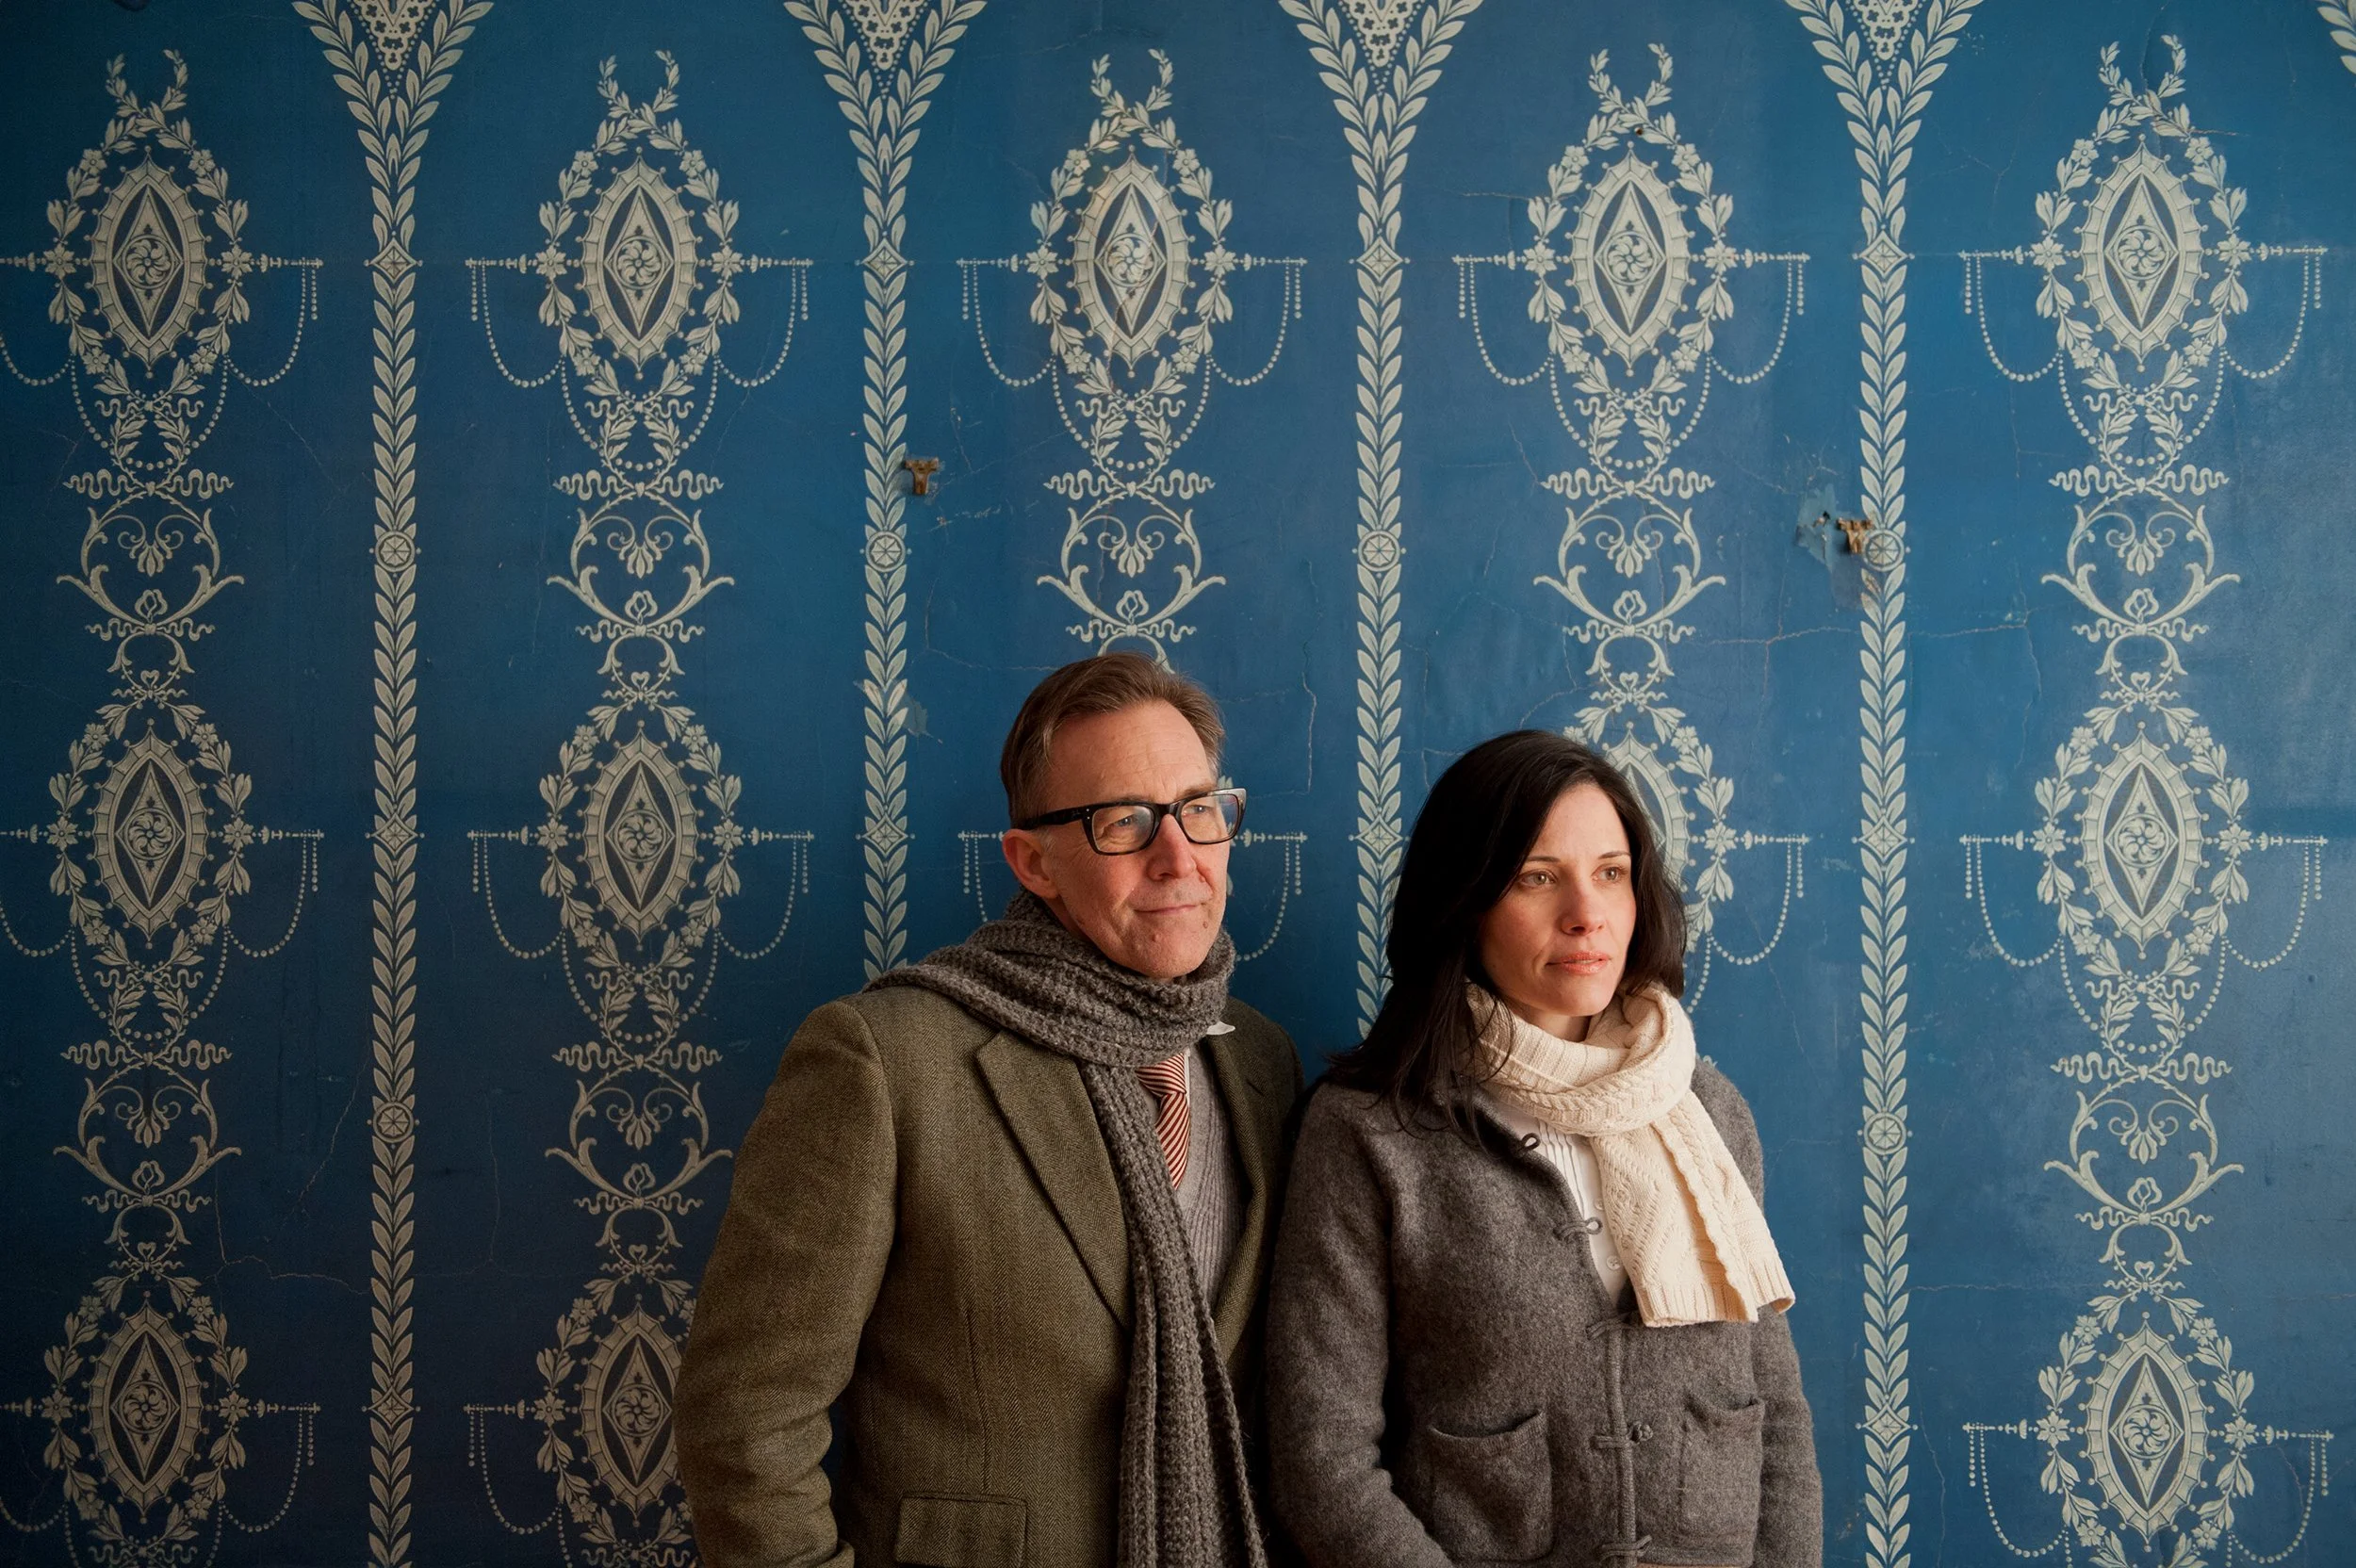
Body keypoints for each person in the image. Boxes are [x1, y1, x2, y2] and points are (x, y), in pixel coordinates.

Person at [676, 652, 1303, 1568]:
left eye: (1199, 808)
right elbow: (745, 1416)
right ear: (1033, 860)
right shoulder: (884, 1059)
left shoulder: (1260, 1059)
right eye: (1122, 820)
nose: (1178, 856)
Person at [1266, 730, 1820, 1568]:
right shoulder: (1372, 1134)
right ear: (1465, 902)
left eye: (1610, 873)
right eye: (1535, 877)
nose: (1586, 915)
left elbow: (1772, 1412)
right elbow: (1324, 1460)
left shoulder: (1706, 1109)